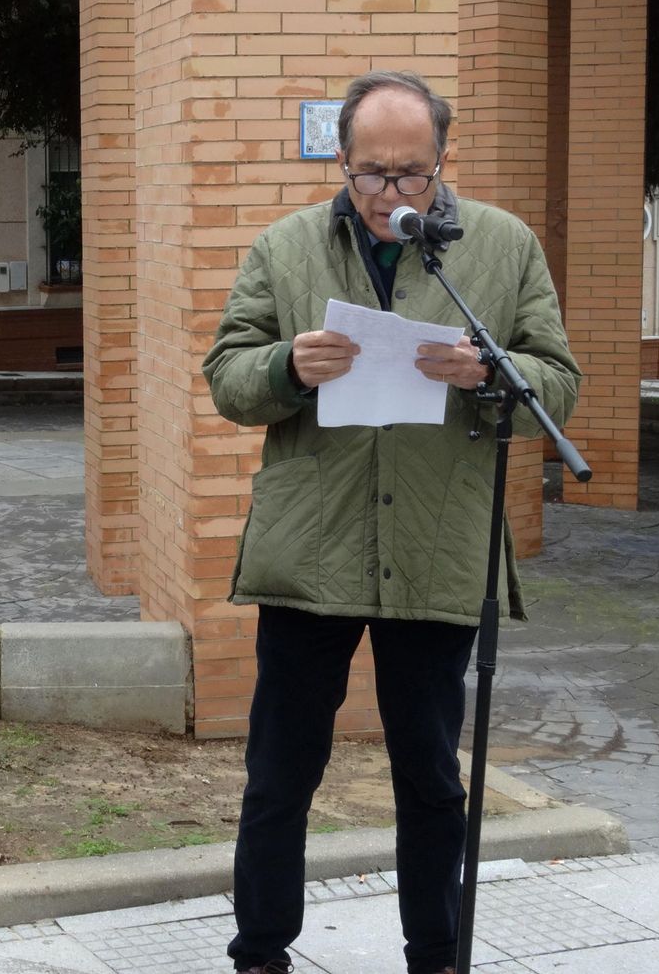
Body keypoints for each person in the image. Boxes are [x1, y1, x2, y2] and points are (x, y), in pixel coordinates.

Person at [203, 70, 581, 974]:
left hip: (437, 546)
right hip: (312, 551)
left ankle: (436, 955)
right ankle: (259, 953)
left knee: (431, 774)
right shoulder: (285, 245)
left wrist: (487, 375)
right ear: (342, 161)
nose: (390, 195)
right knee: (280, 773)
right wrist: (287, 365)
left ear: (443, 165)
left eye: (413, 175)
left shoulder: (501, 246)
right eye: (371, 173)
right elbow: (227, 375)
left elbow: (557, 383)